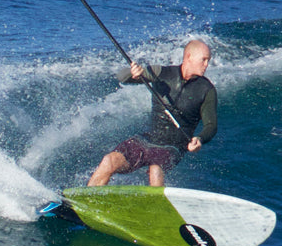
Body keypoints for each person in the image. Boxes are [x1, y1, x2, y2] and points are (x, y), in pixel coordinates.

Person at [88, 39, 217, 187]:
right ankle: (86, 198)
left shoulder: (206, 90)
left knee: (155, 170)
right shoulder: (161, 73)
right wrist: (133, 73)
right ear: (189, 57)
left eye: (208, 60)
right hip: (149, 138)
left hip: (174, 146)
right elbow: (122, 77)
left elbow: (211, 125)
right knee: (109, 161)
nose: (206, 64)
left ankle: (157, 202)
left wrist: (199, 139)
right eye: (203, 59)